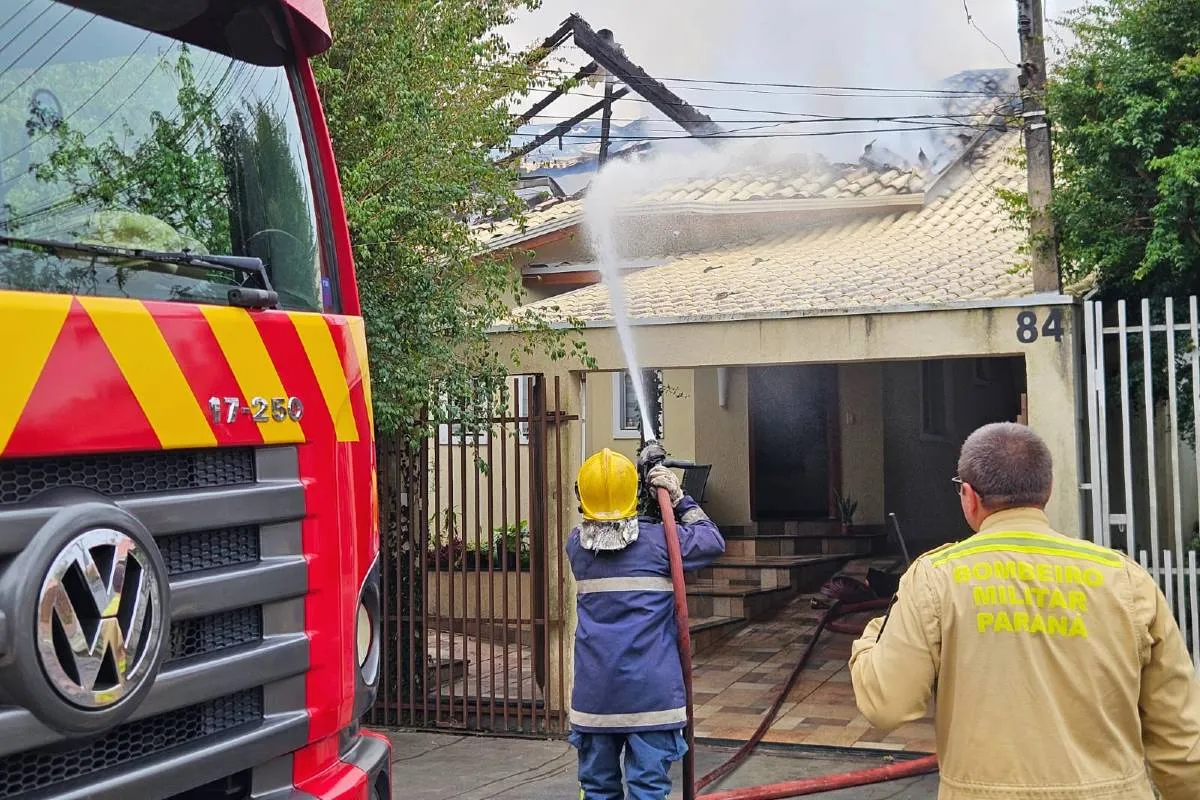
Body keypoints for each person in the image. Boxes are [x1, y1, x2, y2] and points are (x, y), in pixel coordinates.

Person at [849, 422, 1200, 799]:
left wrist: (871, 638)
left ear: (968, 496)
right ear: (1046, 490)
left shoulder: (935, 578)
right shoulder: (1124, 579)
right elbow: (1182, 738)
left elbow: (887, 705)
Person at [566, 447, 725, 800]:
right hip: (652, 699)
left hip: (596, 701)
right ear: (633, 497)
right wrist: (678, 499)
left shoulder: (576, 546)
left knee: (597, 790)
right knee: (648, 791)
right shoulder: (661, 543)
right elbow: (712, 541)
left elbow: (614, 532)